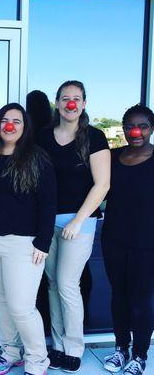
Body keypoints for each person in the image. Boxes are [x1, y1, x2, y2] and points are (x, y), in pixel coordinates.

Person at [0, 103, 57, 375]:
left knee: (22, 307)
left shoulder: (38, 159)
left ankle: (38, 360)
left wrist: (43, 241)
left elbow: (48, 203)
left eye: (17, 121)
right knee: (2, 300)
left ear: (25, 127)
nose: (10, 125)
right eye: (5, 120)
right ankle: (10, 353)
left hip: (23, 245)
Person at [37, 80, 110, 372]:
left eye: (76, 98)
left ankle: (74, 348)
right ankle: (57, 346)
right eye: (65, 98)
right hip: (45, 223)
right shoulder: (43, 137)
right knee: (53, 284)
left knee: (68, 285)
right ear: (57, 103)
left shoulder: (94, 136)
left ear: (83, 103)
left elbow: (102, 184)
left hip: (78, 224)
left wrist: (79, 221)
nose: (71, 103)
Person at [101, 104, 154, 375]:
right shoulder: (111, 157)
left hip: (148, 243)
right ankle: (121, 349)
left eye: (143, 125)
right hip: (114, 239)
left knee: (141, 300)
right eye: (130, 126)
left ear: (151, 128)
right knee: (118, 296)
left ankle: (140, 355)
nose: (136, 131)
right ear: (123, 129)